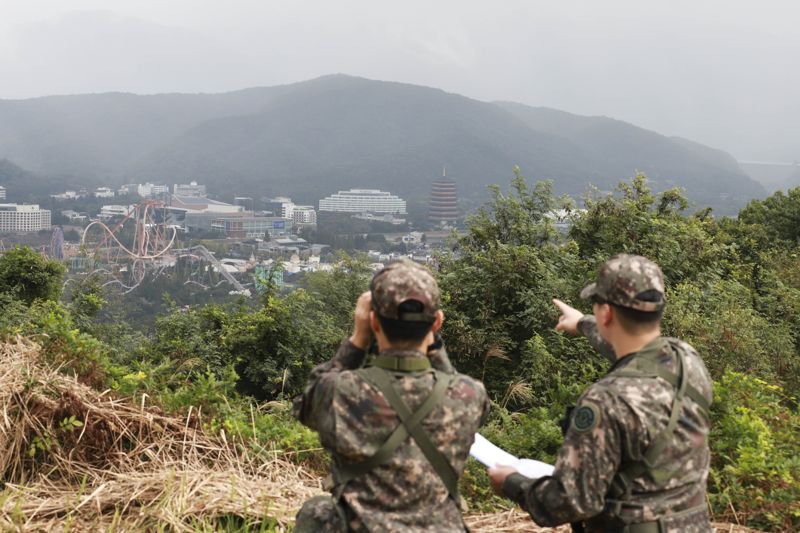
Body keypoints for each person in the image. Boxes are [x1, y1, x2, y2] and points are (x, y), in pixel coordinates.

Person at [487, 254, 713, 532]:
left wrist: (511, 482)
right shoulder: (687, 360)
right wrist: (582, 323)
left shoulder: (605, 401)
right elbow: (635, 353)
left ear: (606, 313)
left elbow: (570, 502)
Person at [292, 258, 490, 532]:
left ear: (373, 321)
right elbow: (452, 381)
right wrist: (434, 346)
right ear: (437, 323)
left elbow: (306, 406)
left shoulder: (340, 391)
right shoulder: (469, 395)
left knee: (316, 511)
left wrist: (357, 341)